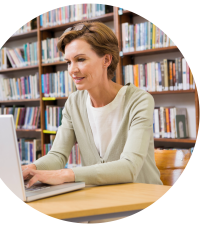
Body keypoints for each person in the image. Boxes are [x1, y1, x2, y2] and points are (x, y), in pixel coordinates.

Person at [22, 21, 162, 223]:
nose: (72, 70)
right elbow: (57, 155)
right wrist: (31, 169)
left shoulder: (139, 100)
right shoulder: (74, 103)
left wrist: (65, 175)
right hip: (98, 204)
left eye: (80, 59)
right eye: (68, 62)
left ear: (106, 59)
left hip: (140, 203)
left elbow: (129, 167)